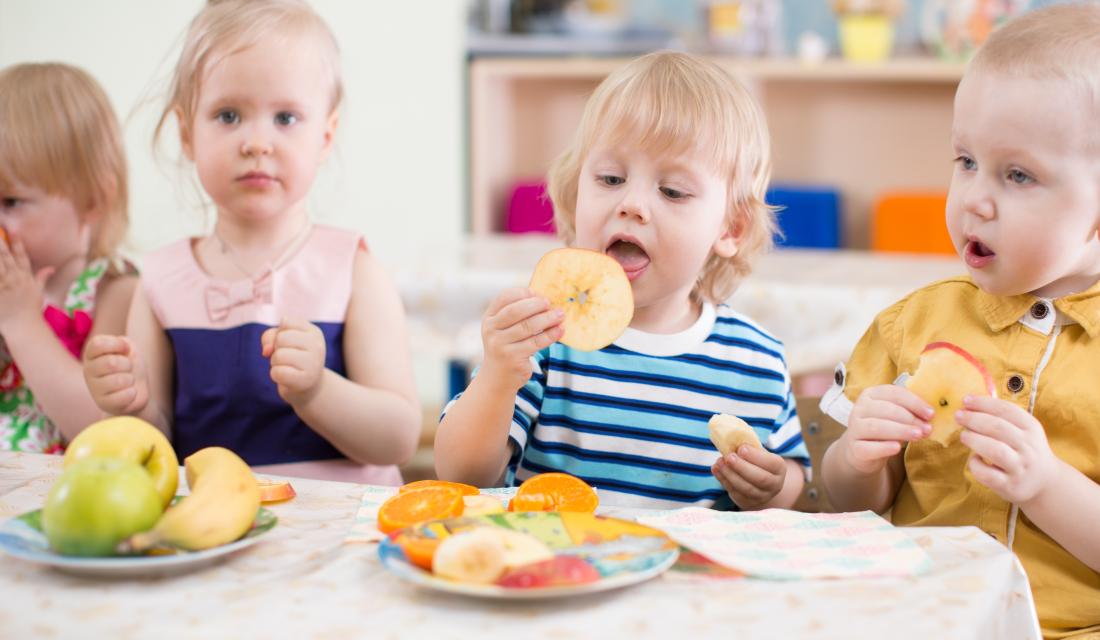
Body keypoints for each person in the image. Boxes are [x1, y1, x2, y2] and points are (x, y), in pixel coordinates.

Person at [820, 5, 1100, 636]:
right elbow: (848, 501)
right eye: (965, 161)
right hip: (922, 617)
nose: (974, 197)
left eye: (1018, 174)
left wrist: (1045, 484)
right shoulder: (913, 322)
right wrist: (857, 459)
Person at [436, 51, 810, 509]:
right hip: (559, 567)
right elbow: (461, 474)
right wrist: (497, 376)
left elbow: (793, 479)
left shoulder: (757, 360)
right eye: (611, 178)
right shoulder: (543, 339)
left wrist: (774, 486)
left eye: (672, 191)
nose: (632, 203)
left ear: (730, 229)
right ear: (576, 200)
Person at [83, 0, 420, 483]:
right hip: (214, 528)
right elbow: (154, 442)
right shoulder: (160, 279)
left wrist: (317, 391)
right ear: (186, 134)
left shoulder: (351, 268)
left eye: (285, 118)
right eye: (227, 115)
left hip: (346, 532)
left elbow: (400, 437)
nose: (256, 142)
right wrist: (129, 404)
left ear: (325, 137)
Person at [0, 63, 137, 453]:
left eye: (11, 201)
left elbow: (99, 424)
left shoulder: (115, 290)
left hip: (62, 494)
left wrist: (20, 321)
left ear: (92, 200)